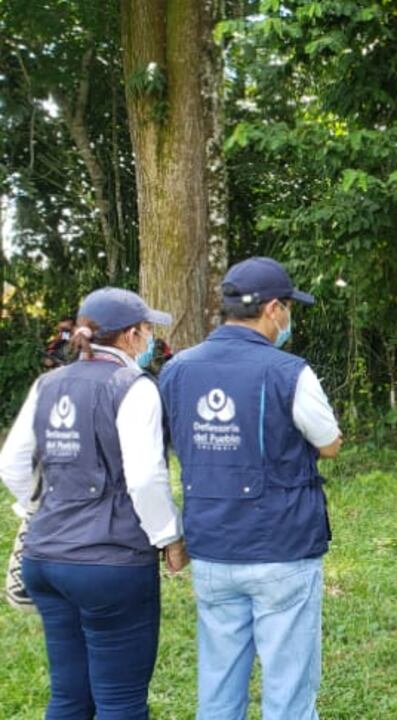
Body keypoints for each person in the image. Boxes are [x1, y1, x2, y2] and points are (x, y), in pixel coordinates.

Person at [159, 257, 342, 720]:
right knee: (290, 690)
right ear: (274, 310)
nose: (288, 320)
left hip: (213, 548)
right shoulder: (289, 371)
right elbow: (329, 443)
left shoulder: (178, 370)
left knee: (218, 687)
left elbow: (171, 440)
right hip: (282, 547)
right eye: (289, 310)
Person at [0, 287, 187, 718]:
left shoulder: (47, 383)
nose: (149, 340)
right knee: (119, 701)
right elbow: (144, 476)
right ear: (130, 336)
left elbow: (12, 463)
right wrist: (169, 537)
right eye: (146, 331)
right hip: (110, 564)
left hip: (44, 558)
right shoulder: (134, 387)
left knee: (69, 697)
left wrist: (39, 511)